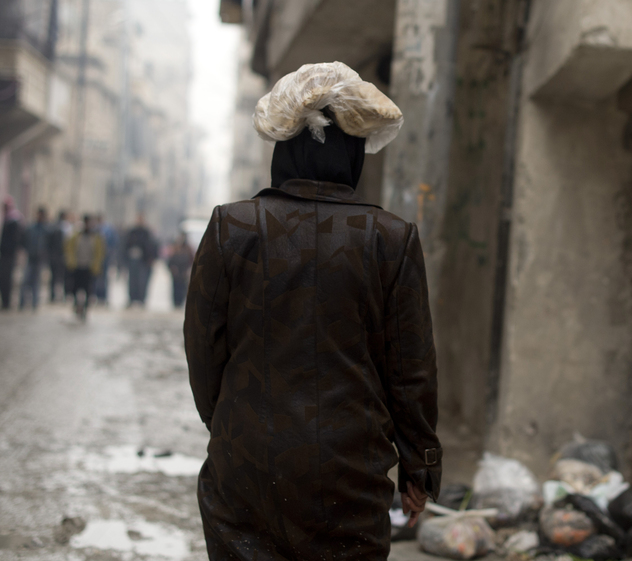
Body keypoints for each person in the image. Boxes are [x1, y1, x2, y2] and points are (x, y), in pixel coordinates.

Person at [185, 62, 440, 561]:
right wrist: (420, 466)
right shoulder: (391, 239)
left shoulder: (231, 228)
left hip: (246, 469)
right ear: (353, 155)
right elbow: (411, 370)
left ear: (284, 150)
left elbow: (203, 354)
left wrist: (235, 423)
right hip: (350, 472)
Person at [64, 214, 105, 321]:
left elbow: (99, 253)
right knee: (75, 288)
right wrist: (71, 262)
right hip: (77, 266)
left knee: (88, 290)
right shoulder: (76, 236)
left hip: (89, 267)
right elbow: (69, 249)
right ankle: (76, 306)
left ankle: (85, 309)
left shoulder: (96, 238)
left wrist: (97, 265)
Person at [19, 207, 49, 310]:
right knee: (25, 280)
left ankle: (34, 303)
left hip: (39, 259)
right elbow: (24, 240)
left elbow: (49, 244)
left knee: (36, 282)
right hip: (30, 257)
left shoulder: (46, 230)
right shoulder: (31, 228)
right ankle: (22, 302)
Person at [0, 198, 23, 311]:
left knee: (6, 279)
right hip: (4, 255)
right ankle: (3, 301)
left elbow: (16, 240)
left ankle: (6, 302)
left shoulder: (14, 220)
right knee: (2, 278)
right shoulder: (7, 218)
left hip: (9, 255)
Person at [124, 215, 157, 307]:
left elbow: (150, 246)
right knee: (132, 281)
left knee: (142, 281)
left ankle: (141, 299)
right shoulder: (132, 232)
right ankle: (132, 298)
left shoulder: (146, 233)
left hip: (143, 260)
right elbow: (126, 245)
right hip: (132, 259)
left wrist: (150, 258)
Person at [47, 210, 70, 303]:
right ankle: (62, 295)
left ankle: (53, 295)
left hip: (55, 256)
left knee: (55, 277)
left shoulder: (53, 227)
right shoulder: (67, 228)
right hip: (61, 256)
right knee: (62, 277)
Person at [94, 214, 118, 304]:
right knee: (96, 278)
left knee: (104, 278)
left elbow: (114, 243)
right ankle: (96, 295)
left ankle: (103, 296)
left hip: (105, 257)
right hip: (96, 258)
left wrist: (111, 253)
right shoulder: (95, 230)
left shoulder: (108, 230)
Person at [167, 233, 194, 308]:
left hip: (183, 272)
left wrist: (188, 270)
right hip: (175, 272)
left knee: (182, 287)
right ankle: (175, 302)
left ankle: (180, 302)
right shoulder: (174, 248)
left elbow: (191, 260)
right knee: (175, 287)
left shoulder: (188, 249)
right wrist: (172, 268)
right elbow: (170, 260)